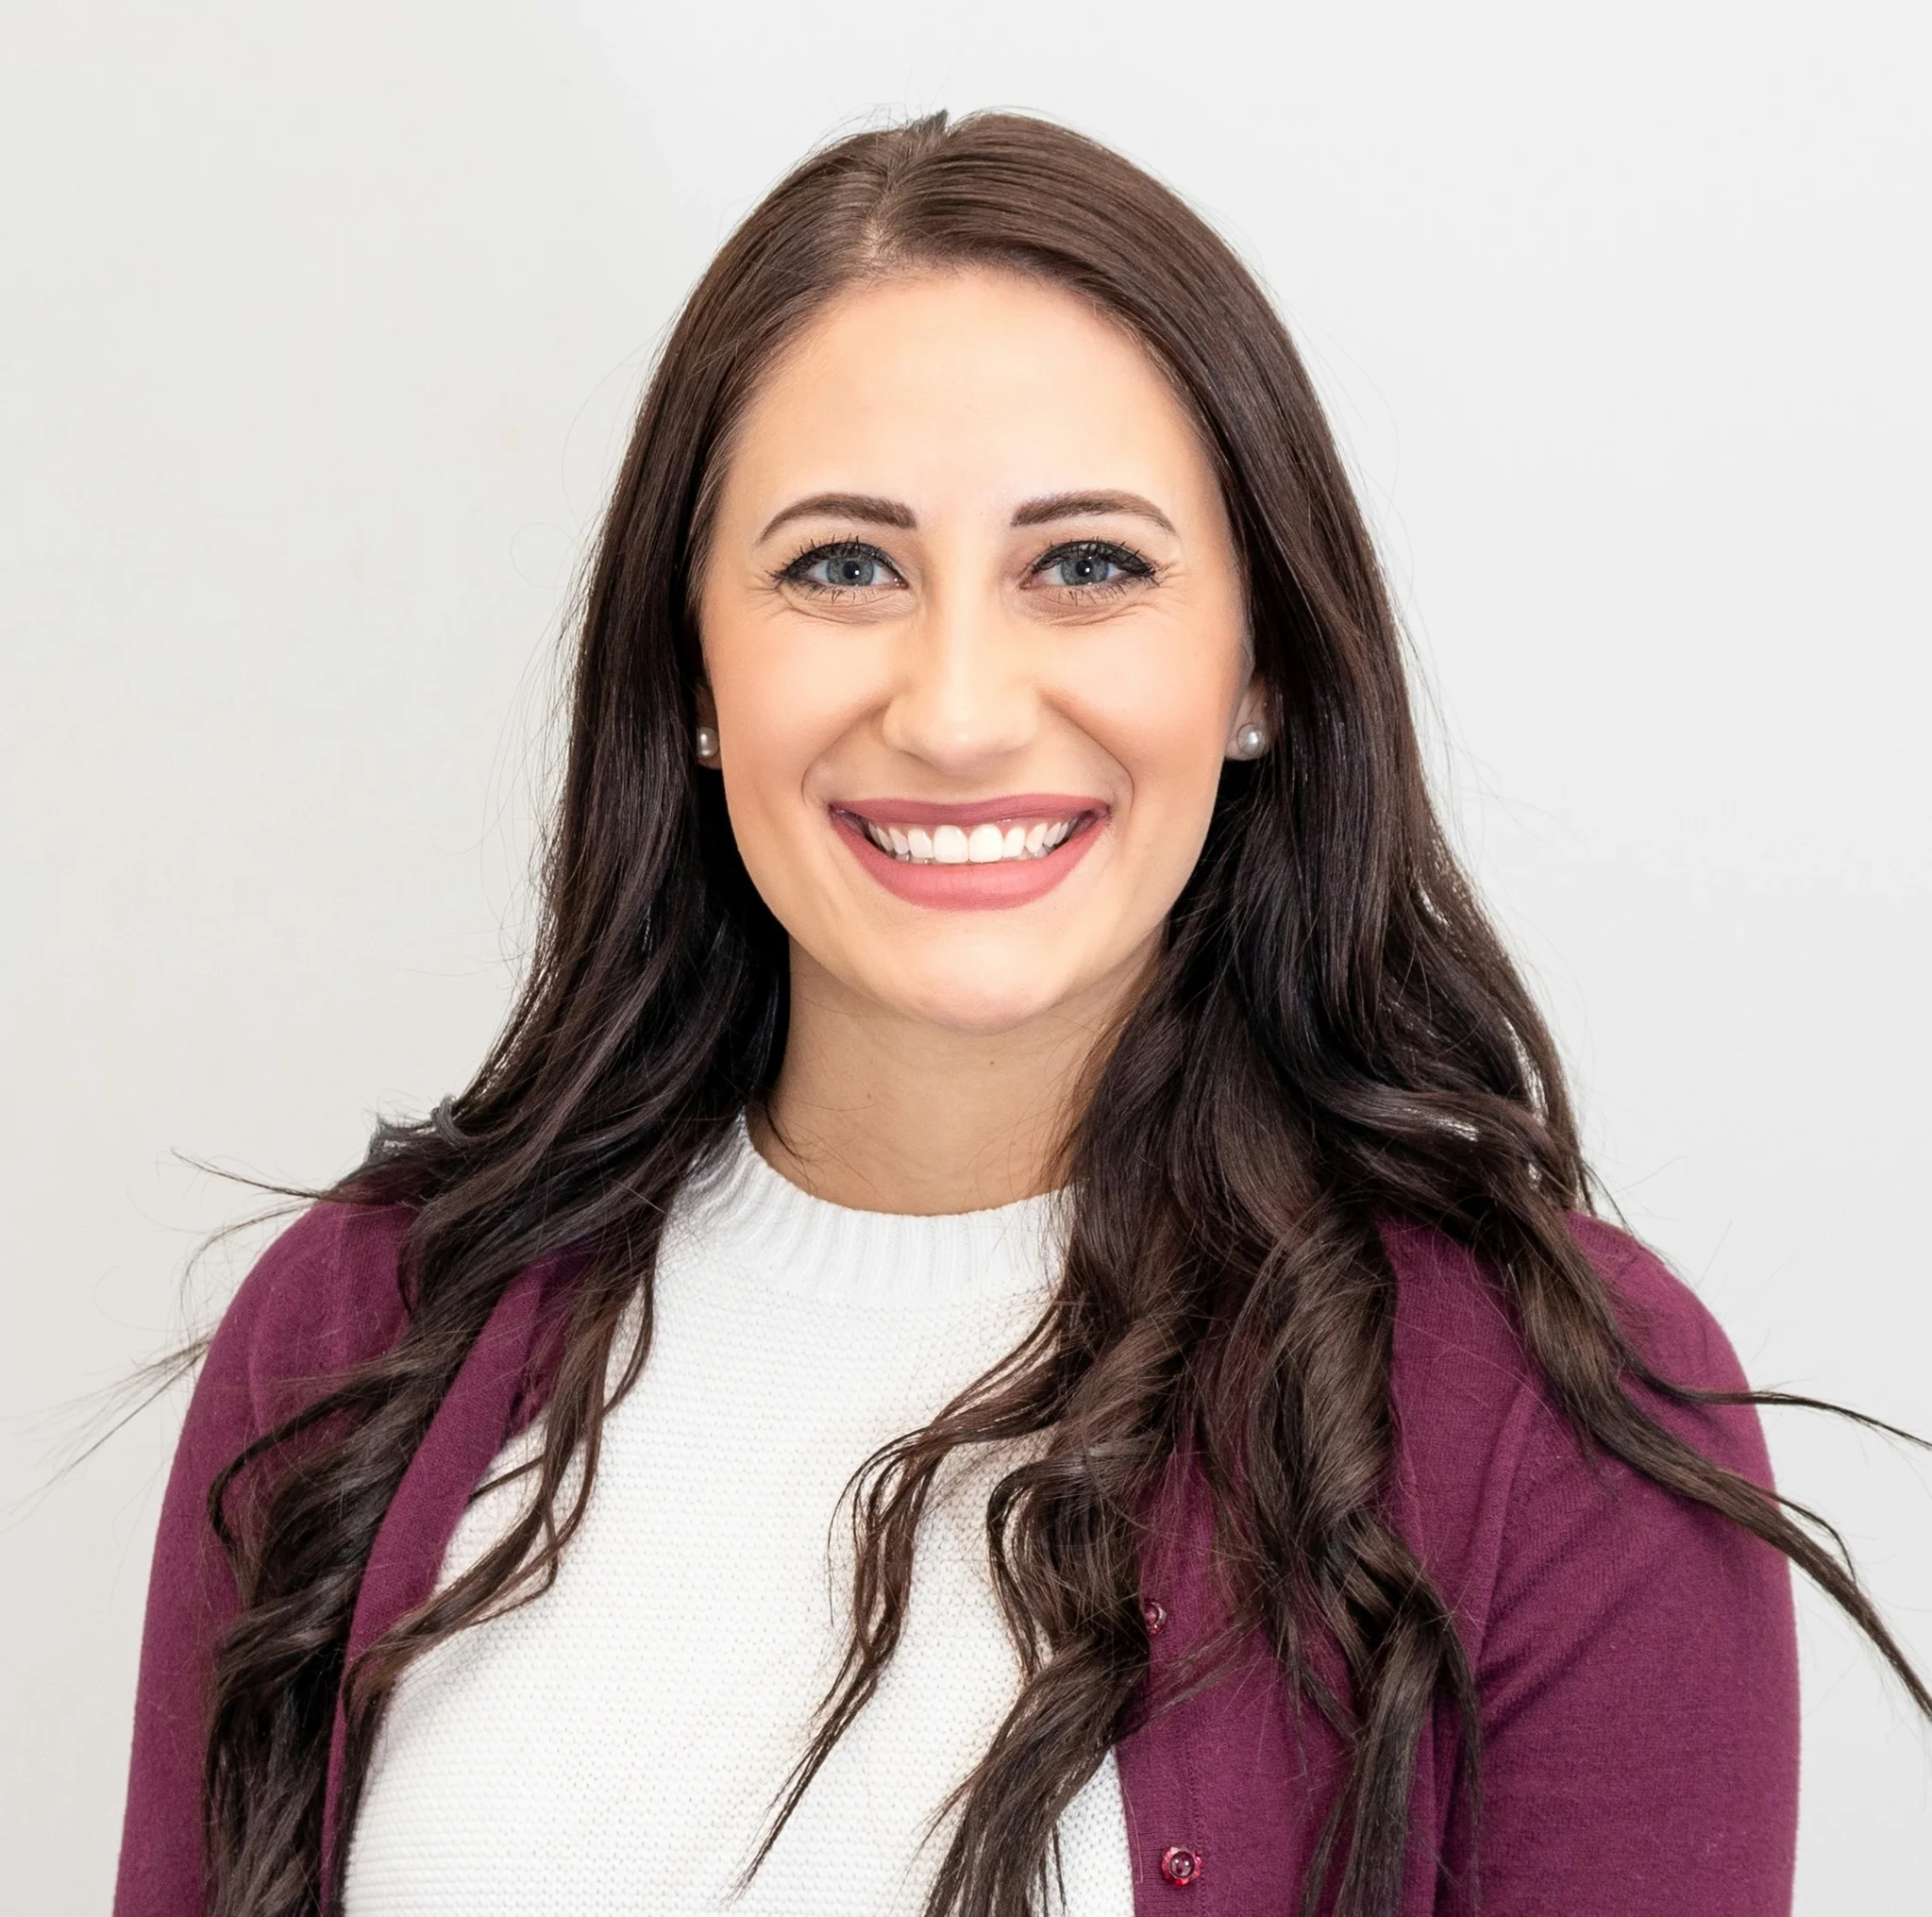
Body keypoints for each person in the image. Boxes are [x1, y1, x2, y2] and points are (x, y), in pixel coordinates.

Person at [112, 111, 1925, 1917]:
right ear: (689, 672)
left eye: (1087, 565)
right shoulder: (353, 1334)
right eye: (840, 565)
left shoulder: (1551, 1419)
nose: (960, 707)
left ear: (1259, 667)